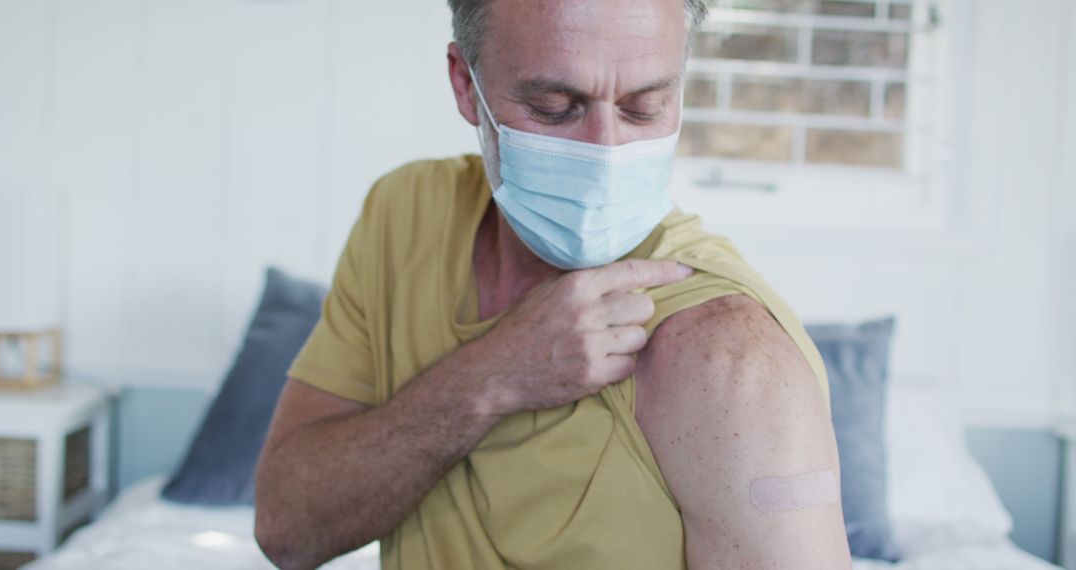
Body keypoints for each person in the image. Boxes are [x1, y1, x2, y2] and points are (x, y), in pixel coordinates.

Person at [253, 0, 851, 568]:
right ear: (466, 84)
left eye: (643, 106)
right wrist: (491, 376)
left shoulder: (731, 358)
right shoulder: (406, 212)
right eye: (553, 106)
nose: (606, 153)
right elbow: (288, 530)